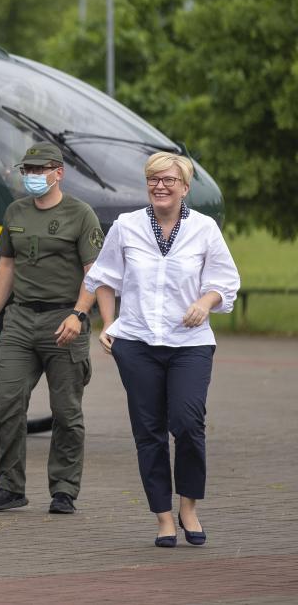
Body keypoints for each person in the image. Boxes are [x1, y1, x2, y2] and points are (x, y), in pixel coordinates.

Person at [85, 152, 239, 547]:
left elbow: (226, 282)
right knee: (148, 431)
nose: (160, 186)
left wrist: (204, 303)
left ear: (185, 187)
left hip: (190, 344)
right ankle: (164, 517)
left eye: (169, 180)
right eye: (154, 179)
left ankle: (189, 506)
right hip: (136, 343)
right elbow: (103, 277)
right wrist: (109, 323)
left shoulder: (204, 229)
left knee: (188, 424)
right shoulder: (127, 226)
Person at [0, 142, 103, 515]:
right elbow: (6, 265)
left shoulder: (80, 214)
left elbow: (94, 273)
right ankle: (10, 486)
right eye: (27, 171)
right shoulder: (16, 211)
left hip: (63, 319)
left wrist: (80, 314)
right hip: (19, 319)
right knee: (5, 402)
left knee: (66, 410)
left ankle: (64, 489)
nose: (32, 177)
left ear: (58, 172)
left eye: (39, 170)